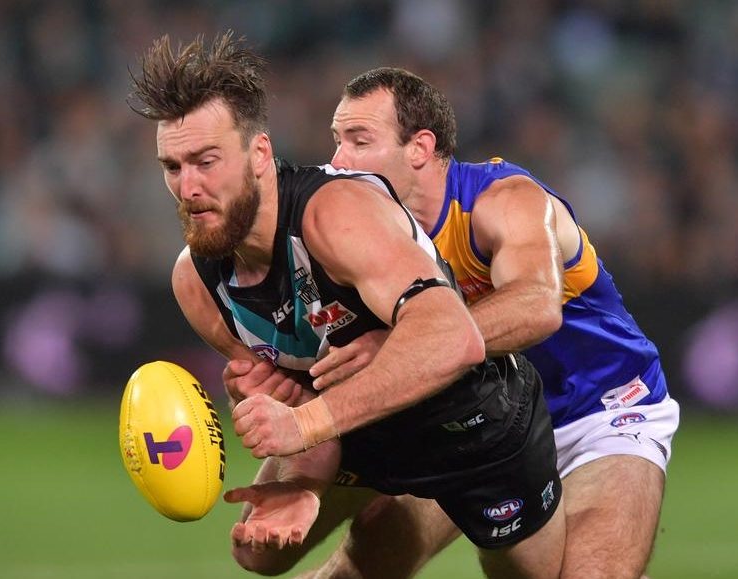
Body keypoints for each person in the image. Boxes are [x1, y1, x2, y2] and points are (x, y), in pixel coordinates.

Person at [129, 33, 566, 579]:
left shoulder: (335, 214)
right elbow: (302, 401)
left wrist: (305, 423)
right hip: (362, 431)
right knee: (258, 553)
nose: (188, 187)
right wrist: (304, 480)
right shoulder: (196, 282)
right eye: (173, 167)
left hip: (474, 427)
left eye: (206, 161)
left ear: (259, 154)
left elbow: (455, 338)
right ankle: (384, 509)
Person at [286, 66, 680, 578]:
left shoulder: (503, 201)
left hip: (600, 410)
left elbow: (536, 306)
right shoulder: (358, 233)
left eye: (359, 141)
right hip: (474, 422)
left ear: (420, 148)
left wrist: (408, 343)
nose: (338, 161)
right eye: (337, 140)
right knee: (370, 559)